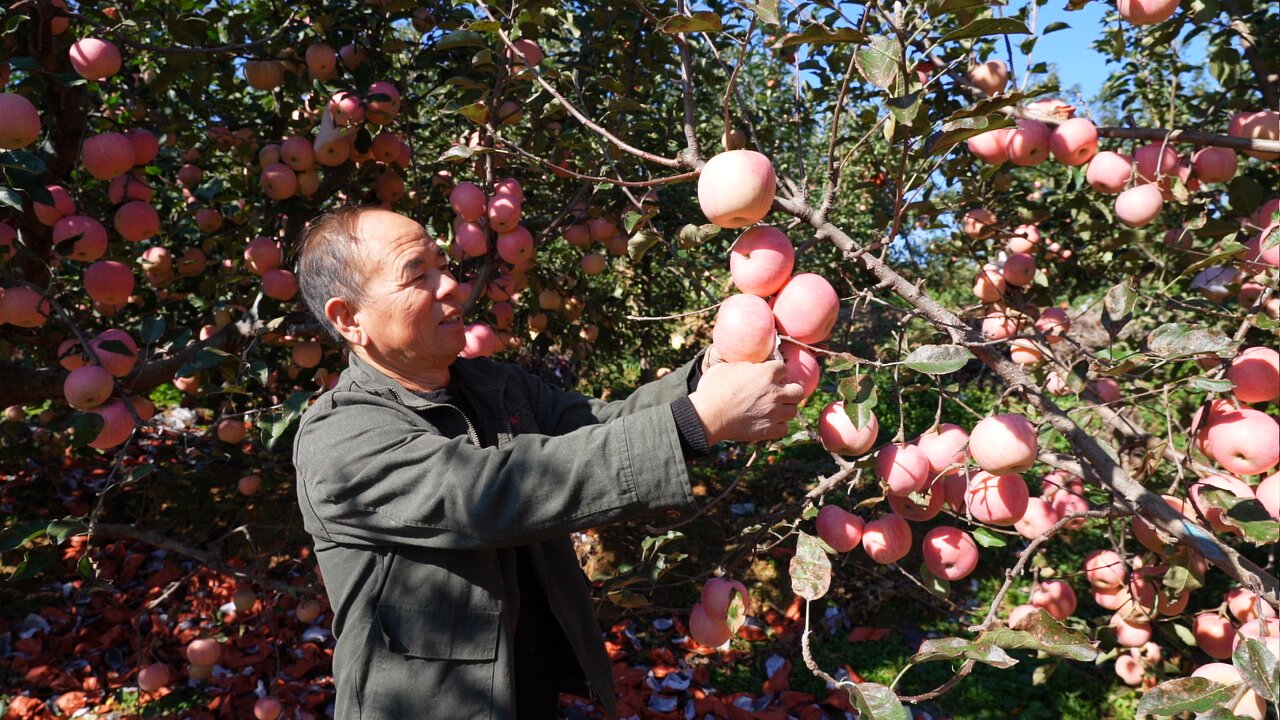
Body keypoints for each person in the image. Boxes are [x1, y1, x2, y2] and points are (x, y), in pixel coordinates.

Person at [291, 206, 803, 719]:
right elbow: (486, 496)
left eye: (443, 265)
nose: (449, 285)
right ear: (348, 319)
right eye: (416, 275)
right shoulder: (340, 437)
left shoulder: (497, 385)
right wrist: (697, 421)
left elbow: (601, 425)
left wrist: (709, 374)